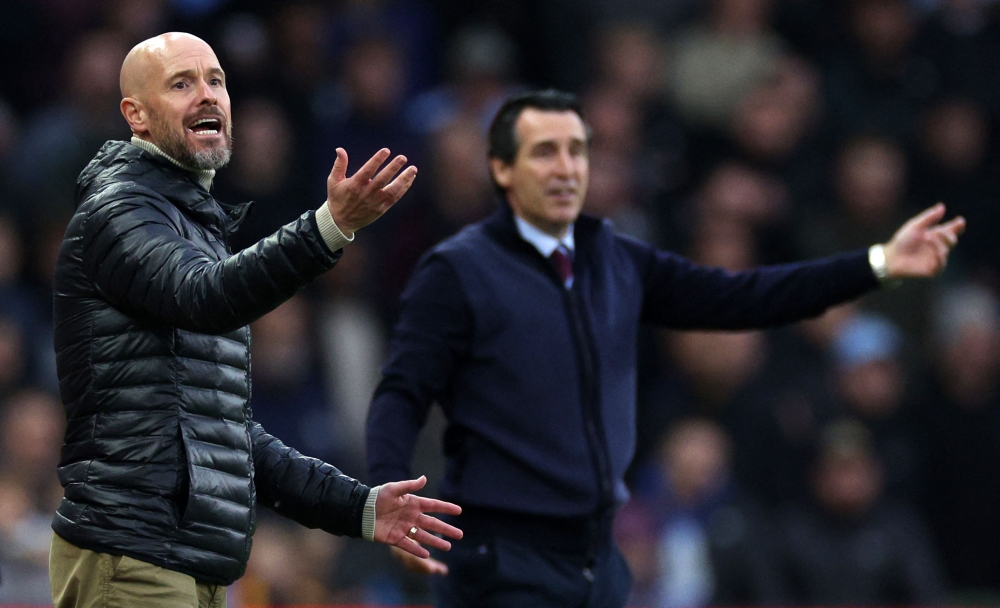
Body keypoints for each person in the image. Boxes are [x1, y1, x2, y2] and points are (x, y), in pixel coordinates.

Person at [365, 89, 964, 608]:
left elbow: (748, 297)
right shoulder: (457, 273)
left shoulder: (619, 262)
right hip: (501, 555)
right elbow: (402, 391)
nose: (567, 168)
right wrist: (389, 494)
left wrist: (878, 263)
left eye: (578, 151)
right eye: (545, 152)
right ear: (501, 169)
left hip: (597, 556)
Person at [49, 32, 462, 608]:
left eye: (215, 81)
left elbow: (229, 440)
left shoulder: (193, 230)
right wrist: (327, 228)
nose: (208, 95)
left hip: (191, 561)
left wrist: (359, 507)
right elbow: (207, 297)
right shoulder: (119, 212)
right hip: (135, 552)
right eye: (181, 84)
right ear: (134, 115)